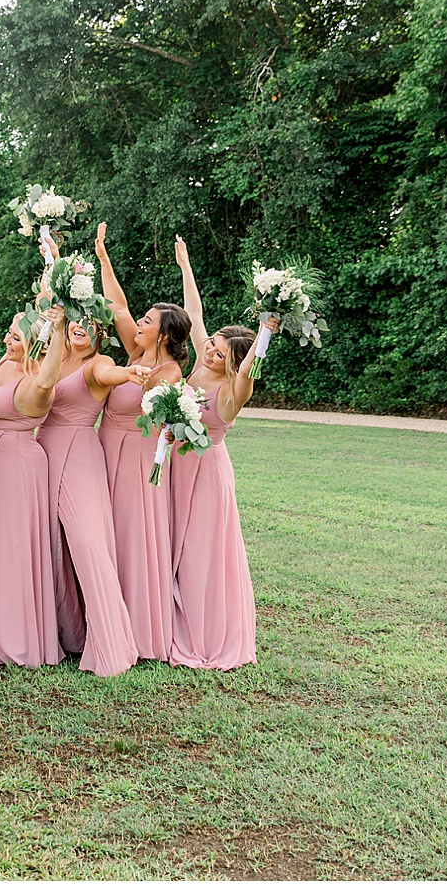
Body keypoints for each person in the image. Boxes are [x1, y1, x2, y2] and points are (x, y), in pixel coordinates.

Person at [171, 235, 274, 671]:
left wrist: (268, 328)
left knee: (200, 553)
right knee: (173, 546)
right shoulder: (197, 365)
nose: (209, 348)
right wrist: (186, 266)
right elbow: (193, 315)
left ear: (234, 360)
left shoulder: (234, 390)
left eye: (218, 349)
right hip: (175, 466)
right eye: (210, 343)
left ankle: (204, 632)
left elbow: (251, 366)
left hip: (207, 473)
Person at [91, 222, 191, 662]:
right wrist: (102, 257)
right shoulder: (132, 354)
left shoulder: (170, 374)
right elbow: (117, 304)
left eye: (148, 322)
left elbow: (163, 418)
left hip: (134, 460)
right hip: (102, 449)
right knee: (101, 535)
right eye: (142, 320)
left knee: (130, 536)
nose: (140, 324)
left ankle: (137, 627)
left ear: (164, 335)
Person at [39, 313, 147, 678]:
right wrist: (53, 257)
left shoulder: (99, 363)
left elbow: (104, 376)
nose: (80, 326)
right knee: (52, 544)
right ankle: (70, 632)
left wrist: (129, 375)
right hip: (44, 451)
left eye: (91, 322)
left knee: (87, 543)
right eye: (76, 320)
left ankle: (112, 643)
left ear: (101, 332)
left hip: (78, 453)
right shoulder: (55, 354)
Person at [0, 304, 67, 668]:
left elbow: (47, 379)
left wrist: (58, 331)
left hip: (14, 467)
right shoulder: (6, 363)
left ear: (38, 342)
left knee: (8, 548)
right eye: (9, 332)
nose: (8, 339)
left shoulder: (36, 381)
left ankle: (11, 638)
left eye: (16, 336)